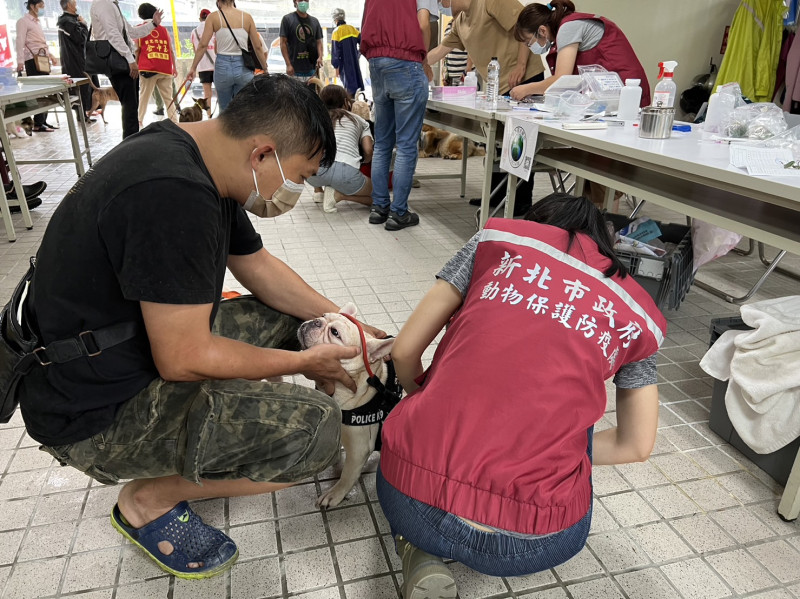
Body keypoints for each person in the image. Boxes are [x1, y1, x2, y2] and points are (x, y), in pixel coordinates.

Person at [16, 75, 385, 579]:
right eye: (298, 174)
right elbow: (182, 357)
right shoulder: (173, 197)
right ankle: (148, 499)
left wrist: (351, 326)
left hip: (112, 353)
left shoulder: (188, 152)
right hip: (91, 414)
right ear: (263, 155)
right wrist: (302, 362)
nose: (292, 190)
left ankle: (223, 416)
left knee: (294, 320)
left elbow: (259, 267)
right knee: (315, 434)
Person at [377, 194, 666, 598]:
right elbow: (635, 445)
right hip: (535, 542)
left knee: (430, 404)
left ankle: (416, 552)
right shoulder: (638, 311)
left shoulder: (499, 241)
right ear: (607, 247)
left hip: (414, 502)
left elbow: (405, 352)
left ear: (536, 222)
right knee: (574, 424)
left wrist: (422, 396)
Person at [360, 0, 433, 231]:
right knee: (406, 145)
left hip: (377, 63)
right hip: (406, 62)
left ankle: (379, 207)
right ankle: (399, 212)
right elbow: (422, 24)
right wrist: (425, 62)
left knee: (382, 143)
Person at [509, 0, 650, 104]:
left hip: (627, 88)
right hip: (614, 91)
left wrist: (526, 89)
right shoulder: (564, 30)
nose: (529, 46)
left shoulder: (568, 27)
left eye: (529, 41)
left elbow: (561, 78)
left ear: (542, 31)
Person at [426, 0, 544, 97]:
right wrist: (415, 65)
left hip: (525, 78)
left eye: (440, 2)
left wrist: (521, 65)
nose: (441, 6)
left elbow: (525, 24)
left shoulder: (488, 2)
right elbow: (440, 50)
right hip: (500, 87)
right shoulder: (459, 23)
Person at [89, 0, 163, 139]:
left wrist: (153, 24)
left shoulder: (112, 5)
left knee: (131, 105)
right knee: (129, 106)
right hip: (118, 60)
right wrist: (130, 59)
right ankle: (130, 145)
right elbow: (113, 35)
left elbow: (131, 32)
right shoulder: (104, 4)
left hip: (123, 59)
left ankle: (132, 141)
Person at [186, 0, 266, 112]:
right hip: (243, 66)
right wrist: (265, 68)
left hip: (222, 67)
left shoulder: (213, 17)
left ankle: (224, 128)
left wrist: (193, 68)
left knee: (224, 109)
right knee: (242, 109)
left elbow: (203, 45)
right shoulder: (246, 17)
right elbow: (257, 46)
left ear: (218, 1)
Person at [307, 85, 373, 213]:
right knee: (379, 196)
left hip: (313, 174)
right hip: (345, 171)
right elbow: (368, 150)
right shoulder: (359, 120)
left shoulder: (315, 120)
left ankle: (318, 191)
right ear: (345, 102)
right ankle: (340, 195)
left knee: (316, 157)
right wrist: (363, 161)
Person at [16, 0, 59, 132]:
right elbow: (20, 41)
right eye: (40, 6)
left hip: (42, 59)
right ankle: (38, 123)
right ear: (32, 6)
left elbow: (41, 43)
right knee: (38, 92)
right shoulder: (23, 21)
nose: (42, 9)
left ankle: (43, 121)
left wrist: (50, 55)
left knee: (46, 91)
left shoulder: (38, 22)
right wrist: (20, 61)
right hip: (32, 61)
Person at [136, 3, 178, 126]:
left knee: (144, 97)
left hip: (148, 68)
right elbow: (170, 50)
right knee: (168, 98)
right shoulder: (163, 29)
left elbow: (137, 50)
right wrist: (174, 67)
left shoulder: (140, 28)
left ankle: (139, 121)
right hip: (165, 69)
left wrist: (136, 66)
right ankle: (175, 122)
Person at [57, 0, 97, 123]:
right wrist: (84, 24)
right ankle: (81, 115)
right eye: (74, 2)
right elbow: (80, 38)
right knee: (80, 87)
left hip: (78, 59)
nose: (76, 4)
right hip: (74, 60)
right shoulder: (67, 22)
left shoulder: (71, 20)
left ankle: (84, 114)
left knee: (85, 86)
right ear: (69, 5)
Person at [280, 0, 324, 82]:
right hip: (294, 70)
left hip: (312, 69)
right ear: (295, 2)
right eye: (300, 0)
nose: (303, 2)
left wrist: (320, 57)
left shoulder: (315, 21)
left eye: (306, 0)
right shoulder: (287, 19)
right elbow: (283, 43)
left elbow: (319, 41)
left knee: (312, 93)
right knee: (296, 94)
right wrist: (288, 64)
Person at [330, 8, 363, 96]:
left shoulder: (336, 32)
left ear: (335, 19)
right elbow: (363, 43)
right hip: (354, 63)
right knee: (357, 87)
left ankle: (349, 105)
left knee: (347, 88)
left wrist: (336, 67)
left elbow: (335, 53)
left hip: (344, 65)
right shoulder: (352, 29)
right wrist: (357, 54)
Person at [190, 8, 217, 119]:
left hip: (203, 66)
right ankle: (221, 116)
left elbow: (195, 50)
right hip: (216, 65)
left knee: (207, 95)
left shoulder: (194, 32)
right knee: (220, 93)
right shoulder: (215, 29)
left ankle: (209, 116)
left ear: (200, 18)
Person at [442, 21, 472, 86]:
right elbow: (444, 48)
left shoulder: (466, 24)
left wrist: (468, 68)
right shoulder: (449, 25)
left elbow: (471, 46)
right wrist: (444, 71)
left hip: (463, 73)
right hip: (449, 74)